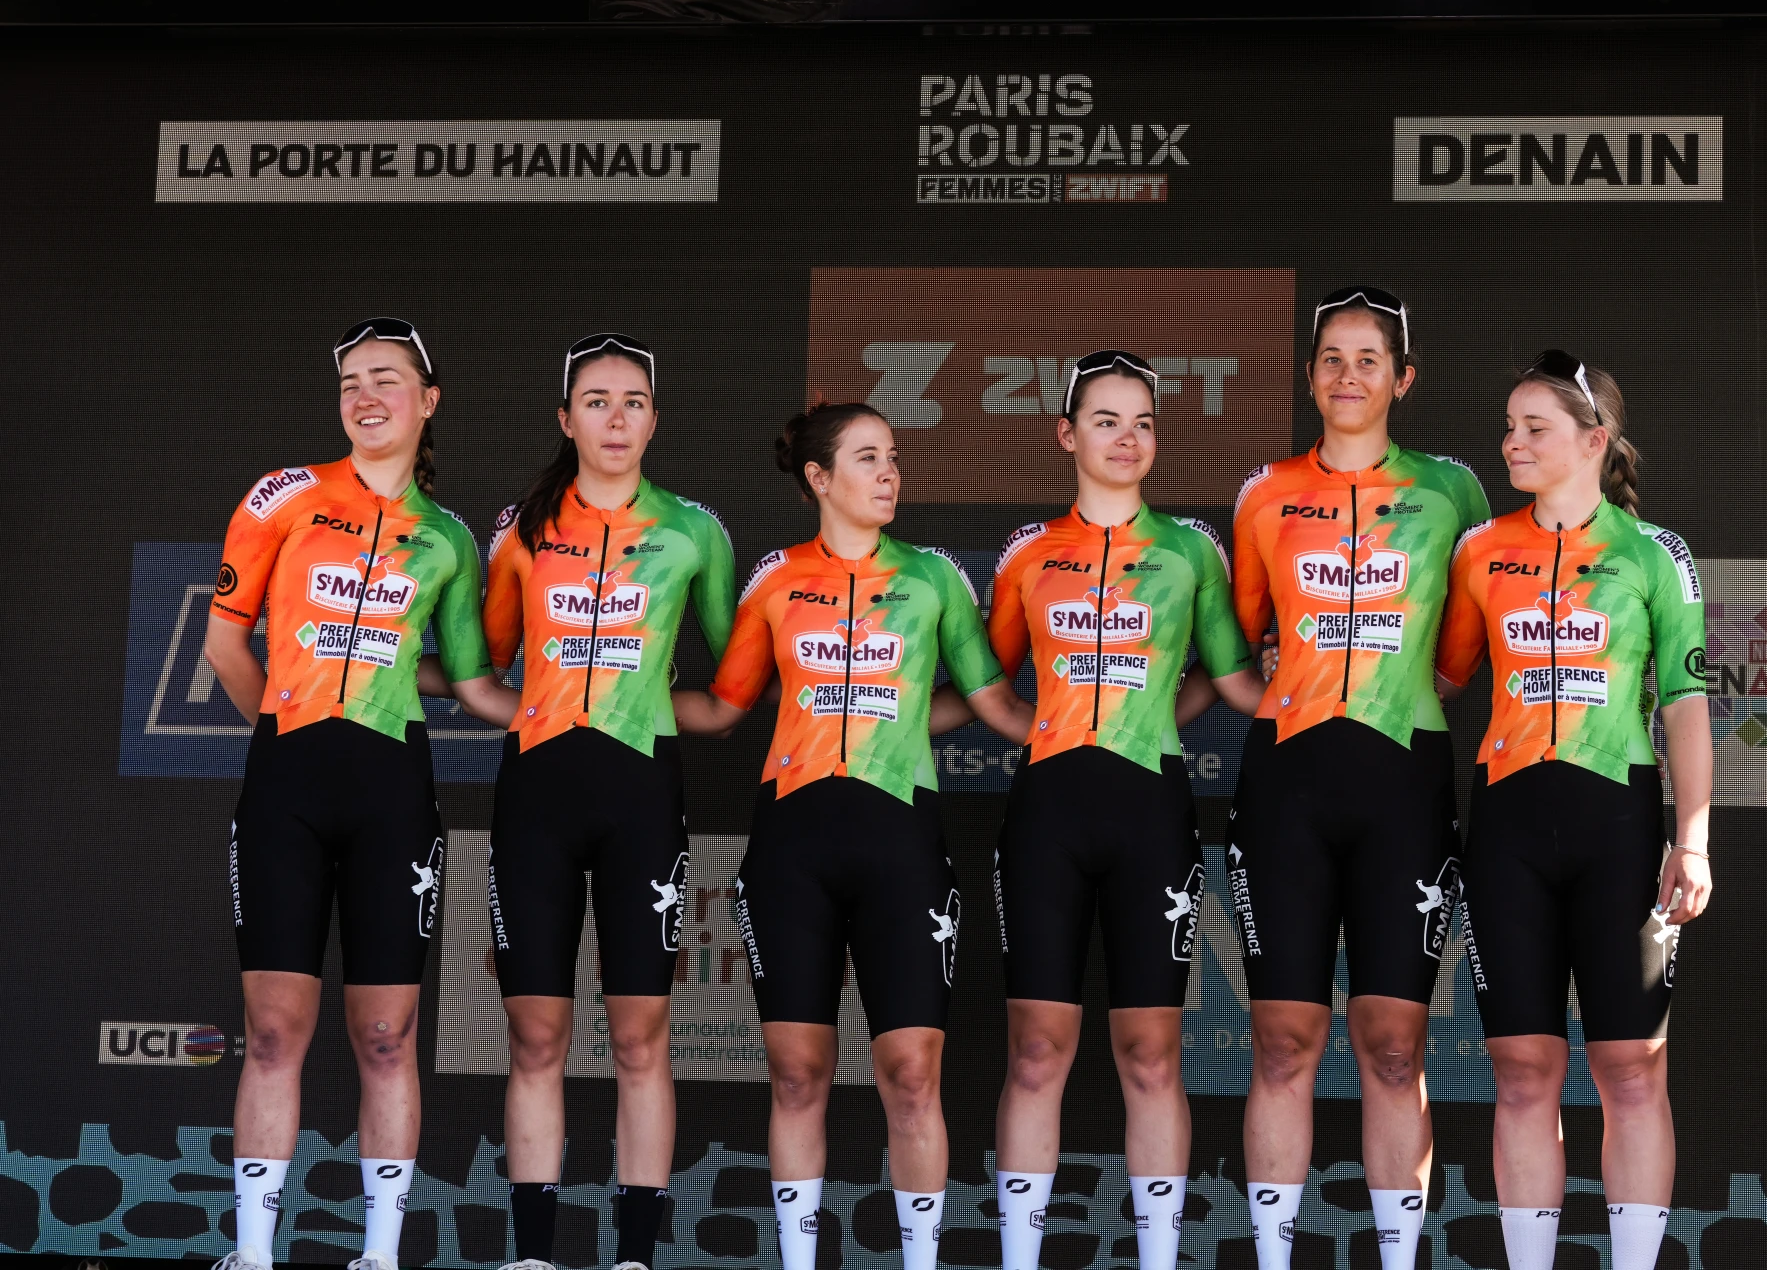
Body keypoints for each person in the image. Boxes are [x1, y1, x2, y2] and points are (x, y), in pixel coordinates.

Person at [674, 400, 1032, 1270]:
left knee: (912, 1072)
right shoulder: (774, 579)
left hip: (901, 842)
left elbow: (992, 702)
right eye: (869, 458)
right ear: (819, 477)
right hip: (792, 844)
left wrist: (1104, 716)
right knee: (798, 1074)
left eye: (894, 457)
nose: (889, 473)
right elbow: (725, 706)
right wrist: (604, 695)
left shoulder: (934, 577)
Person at [203, 318, 520, 1270]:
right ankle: (253, 1253)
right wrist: (285, 735)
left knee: (386, 1035)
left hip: (392, 791)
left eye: (386, 378)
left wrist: (580, 700)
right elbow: (225, 643)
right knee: (272, 1031)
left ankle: (379, 1255)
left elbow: (471, 683)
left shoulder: (450, 538)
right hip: (287, 784)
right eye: (350, 382)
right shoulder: (284, 495)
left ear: (429, 401)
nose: (364, 396)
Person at [968, 351, 1263, 1270]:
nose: (1127, 439)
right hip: (1048, 811)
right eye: (1105, 420)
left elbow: (1229, 679)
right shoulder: (1028, 552)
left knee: (1152, 1053)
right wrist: (1049, 730)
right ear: (1067, 433)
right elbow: (986, 683)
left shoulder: (1191, 550)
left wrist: (1151, 720)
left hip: (1150, 809)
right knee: (1035, 1051)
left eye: (1142, 423)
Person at [1219, 287, 1491, 1270]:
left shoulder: (1454, 492)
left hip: (1401, 780)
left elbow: (1462, 648)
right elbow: (1240, 638)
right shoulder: (1263, 493)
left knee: (1393, 1045)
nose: (1347, 376)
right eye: (1331, 358)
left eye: (1368, 359)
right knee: (1282, 1041)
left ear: (1403, 378)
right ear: (1309, 375)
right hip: (1287, 782)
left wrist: (1394, 688)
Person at [1434, 350, 1712, 1270]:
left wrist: (1693, 842)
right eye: (1508, 427)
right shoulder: (1480, 549)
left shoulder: (1655, 553)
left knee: (1631, 1068)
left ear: (1595, 441)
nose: (1511, 442)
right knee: (1522, 1070)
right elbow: (1442, 678)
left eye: (1534, 428)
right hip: (1508, 826)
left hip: (1620, 830)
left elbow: (1686, 705)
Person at [478, 335, 735, 1270]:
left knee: (640, 1037)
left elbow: (736, 687)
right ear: (566, 418)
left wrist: (644, 709)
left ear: (655, 420)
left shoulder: (695, 530)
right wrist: (548, 712)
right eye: (596, 401)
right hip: (537, 792)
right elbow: (483, 668)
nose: (616, 418)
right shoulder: (521, 528)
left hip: (641, 794)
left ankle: (633, 1257)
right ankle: (534, 1255)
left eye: (633, 402)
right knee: (535, 1035)